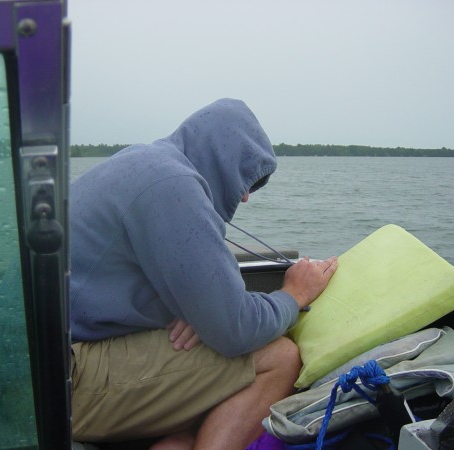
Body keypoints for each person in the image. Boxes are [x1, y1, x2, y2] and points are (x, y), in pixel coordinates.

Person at [69, 98, 338, 449]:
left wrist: (200, 313)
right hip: (59, 380)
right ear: (221, 159)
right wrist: (294, 295)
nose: (245, 196)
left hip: (38, 358)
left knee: (184, 437)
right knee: (280, 357)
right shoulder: (173, 184)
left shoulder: (144, 162)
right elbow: (236, 330)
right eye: (246, 177)